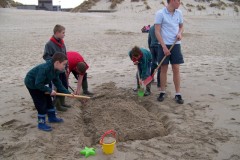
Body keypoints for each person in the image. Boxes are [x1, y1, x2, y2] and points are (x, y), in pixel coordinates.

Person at [24, 52, 71, 132]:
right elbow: (38, 84)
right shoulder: (44, 68)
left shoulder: (56, 70)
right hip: (32, 84)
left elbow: (58, 82)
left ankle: (52, 118)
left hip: (41, 84)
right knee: (41, 103)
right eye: (64, 64)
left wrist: (68, 93)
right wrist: (49, 90)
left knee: (48, 100)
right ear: (57, 62)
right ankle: (41, 124)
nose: (64, 66)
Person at [154, 0, 184, 104]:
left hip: (176, 45)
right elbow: (157, 31)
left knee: (176, 68)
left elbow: (181, 26)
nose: (179, 2)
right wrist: (164, 47)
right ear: (171, 1)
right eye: (177, 1)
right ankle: (162, 91)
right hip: (163, 45)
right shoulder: (160, 13)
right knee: (164, 68)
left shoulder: (179, 13)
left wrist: (180, 33)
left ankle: (178, 94)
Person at [43, 24, 70, 111]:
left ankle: (62, 103)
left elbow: (65, 55)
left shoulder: (62, 43)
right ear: (57, 32)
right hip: (55, 71)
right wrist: (55, 63)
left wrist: (67, 66)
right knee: (57, 87)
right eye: (63, 33)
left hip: (63, 70)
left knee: (65, 85)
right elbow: (46, 57)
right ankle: (57, 106)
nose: (64, 34)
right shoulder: (49, 44)